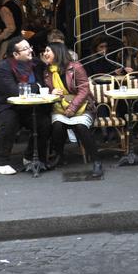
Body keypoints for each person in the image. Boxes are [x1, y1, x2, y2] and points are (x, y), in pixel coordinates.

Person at [0, 35, 51, 175]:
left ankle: (30, 156)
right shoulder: (4, 67)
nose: (30, 50)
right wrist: (36, 86)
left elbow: (48, 75)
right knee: (10, 121)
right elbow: (15, 91)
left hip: (30, 107)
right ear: (15, 54)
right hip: (7, 106)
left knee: (44, 123)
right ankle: (2, 162)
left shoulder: (36, 64)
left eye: (29, 46)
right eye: (25, 49)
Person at [42, 42, 102, 178]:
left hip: (83, 106)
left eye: (48, 51)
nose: (45, 54)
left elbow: (84, 89)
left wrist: (73, 108)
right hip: (61, 108)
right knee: (57, 126)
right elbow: (49, 91)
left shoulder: (76, 67)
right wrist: (53, 92)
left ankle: (97, 161)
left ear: (57, 52)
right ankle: (59, 156)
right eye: (45, 51)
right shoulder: (48, 71)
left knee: (81, 127)